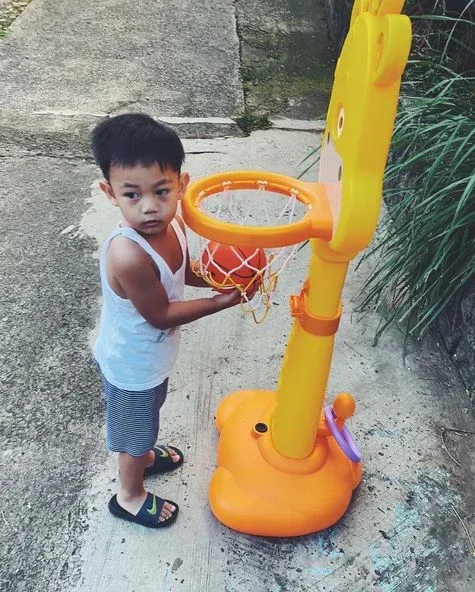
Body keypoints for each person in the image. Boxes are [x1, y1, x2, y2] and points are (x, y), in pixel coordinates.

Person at [91, 113, 243, 529]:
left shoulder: (171, 226)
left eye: (161, 191)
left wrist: (218, 277)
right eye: (132, 194)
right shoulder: (128, 254)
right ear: (110, 193)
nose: (149, 207)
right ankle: (130, 494)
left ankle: (143, 455)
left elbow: (179, 270)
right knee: (134, 435)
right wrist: (218, 301)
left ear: (182, 184)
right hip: (131, 367)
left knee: (149, 417)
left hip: (150, 360)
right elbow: (159, 315)